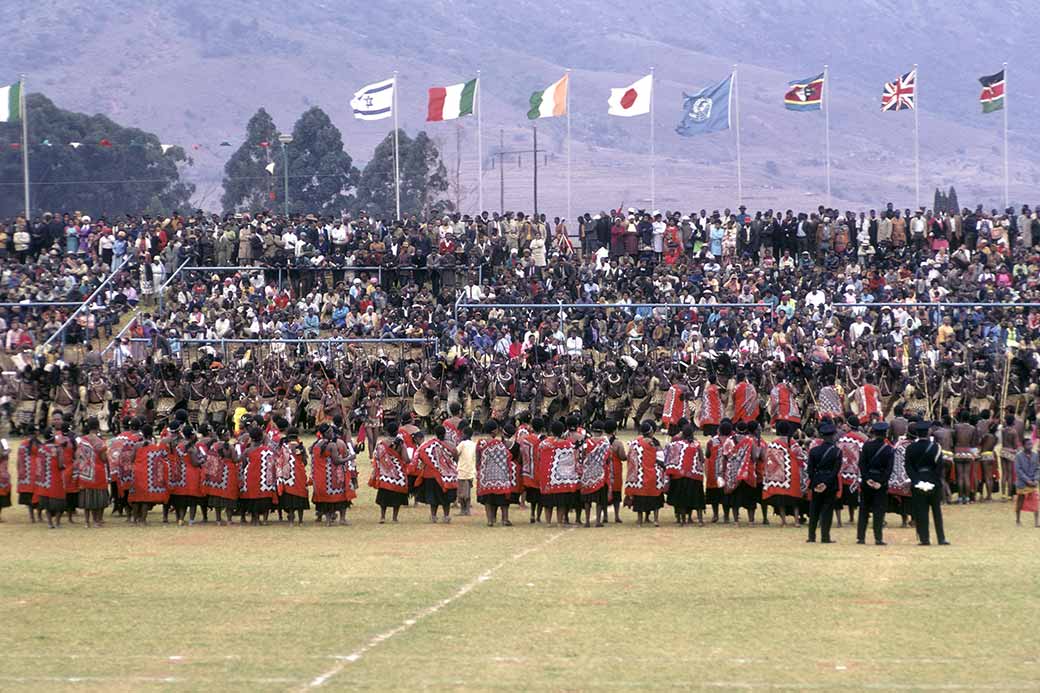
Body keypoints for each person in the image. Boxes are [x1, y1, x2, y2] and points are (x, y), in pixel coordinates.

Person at [904, 421, 949, 545]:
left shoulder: (911, 448)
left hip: (918, 481)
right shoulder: (936, 447)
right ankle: (941, 538)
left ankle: (924, 538)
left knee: (921, 512)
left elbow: (908, 467)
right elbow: (939, 467)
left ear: (917, 434)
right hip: (933, 481)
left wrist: (916, 481)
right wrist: (933, 480)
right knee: (936, 512)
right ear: (928, 432)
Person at [857, 422, 894, 545]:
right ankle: (878, 538)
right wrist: (881, 482)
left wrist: (867, 478)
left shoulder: (867, 446)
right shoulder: (888, 449)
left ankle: (861, 537)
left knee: (864, 510)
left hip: (867, 480)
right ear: (885, 434)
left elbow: (861, 464)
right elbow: (889, 469)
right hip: (880, 481)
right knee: (879, 511)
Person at [475, 420, 518, 527]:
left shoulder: (480, 443)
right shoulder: (499, 444)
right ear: (494, 431)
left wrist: (479, 470)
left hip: (486, 475)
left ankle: (490, 520)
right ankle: (505, 519)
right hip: (500, 475)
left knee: (488, 499)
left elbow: (478, 459)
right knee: (503, 499)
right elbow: (508, 456)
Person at [413, 426, 459, 523]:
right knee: (446, 498)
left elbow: (421, 454)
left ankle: (433, 516)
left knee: (433, 498)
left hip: (431, 475)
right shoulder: (451, 445)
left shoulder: (428, 445)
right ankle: (446, 516)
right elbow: (455, 458)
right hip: (447, 475)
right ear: (445, 434)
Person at [625, 421, 666, 526]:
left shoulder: (635, 443)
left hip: (640, 475)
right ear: (651, 431)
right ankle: (656, 520)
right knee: (656, 498)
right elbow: (661, 458)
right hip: (653, 474)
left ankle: (639, 521)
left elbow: (630, 458)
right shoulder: (654, 443)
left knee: (640, 498)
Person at [805, 421, 841, 543]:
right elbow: (835, 471)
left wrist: (816, 483)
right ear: (833, 436)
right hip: (830, 484)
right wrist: (825, 483)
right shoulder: (837, 451)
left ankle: (811, 536)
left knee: (814, 510)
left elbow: (810, 470)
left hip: (816, 481)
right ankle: (825, 536)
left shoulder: (814, 451)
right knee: (827, 512)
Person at [71, 418, 110, 528]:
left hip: (85, 472)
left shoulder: (82, 440)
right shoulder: (99, 442)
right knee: (98, 498)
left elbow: (77, 455)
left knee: (86, 497)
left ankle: (87, 522)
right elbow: (103, 458)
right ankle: (97, 520)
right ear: (98, 427)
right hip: (98, 472)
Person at [128, 425, 170, 526]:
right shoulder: (155, 447)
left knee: (136, 497)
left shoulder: (137, 445)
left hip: (137, 472)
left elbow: (131, 458)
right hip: (148, 474)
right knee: (145, 498)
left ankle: (134, 520)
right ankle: (143, 520)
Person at [369, 421, 409, 524]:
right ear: (397, 431)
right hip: (398, 474)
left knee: (384, 498)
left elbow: (376, 457)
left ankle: (382, 516)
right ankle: (394, 518)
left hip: (384, 475)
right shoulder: (400, 443)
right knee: (397, 496)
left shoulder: (381, 444)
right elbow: (406, 459)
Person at [579, 421, 611, 527]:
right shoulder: (606, 443)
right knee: (600, 500)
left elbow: (583, 456)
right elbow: (608, 458)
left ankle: (587, 521)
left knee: (587, 500)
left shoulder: (587, 442)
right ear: (602, 431)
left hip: (587, 473)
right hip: (601, 473)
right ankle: (598, 521)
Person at [1013, 435, 1039, 528]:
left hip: (1033, 482)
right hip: (1022, 483)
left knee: (1035, 501)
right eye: (1028, 444)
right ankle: (1018, 520)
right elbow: (1018, 470)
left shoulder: (1035, 455)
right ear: (1023, 445)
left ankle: (1036, 522)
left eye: (1031, 444)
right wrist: (1027, 480)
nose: (1030, 446)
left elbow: (1037, 468)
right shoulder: (1018, 456)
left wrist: (1036, 479)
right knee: (1020, 501)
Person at [455, 425, 476, 516]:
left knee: (461, 493)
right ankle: (466, 510)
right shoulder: (473, 444)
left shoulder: (462, 444)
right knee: (467, 493)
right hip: (470, 471)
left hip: (462, 471)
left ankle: (464, 510)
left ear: (464, 434)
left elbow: (455, 453)